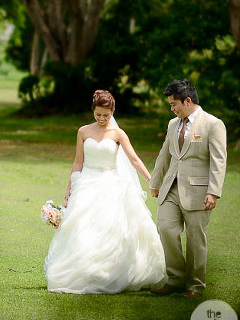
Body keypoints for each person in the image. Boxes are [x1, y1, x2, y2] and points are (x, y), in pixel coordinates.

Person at [45, 90, 166, 294]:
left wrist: (150, 179)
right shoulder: (83, 131)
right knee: (83, 227)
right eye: (98, 114)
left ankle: (111, 272)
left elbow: (134, 159)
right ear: (93, 111)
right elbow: (78, 162)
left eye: (106, 115)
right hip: (87, 183)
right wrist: (69, 189)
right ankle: (84, 271)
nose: (101, 119)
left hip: (112, 184)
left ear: (113, 112)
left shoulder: (118, 134)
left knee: (113, 229)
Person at [149, 79, 227, 298]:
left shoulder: (213, 124)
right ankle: (175, 278)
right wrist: (155, 182)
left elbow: (218, 160)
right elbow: (165, 154)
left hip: (199, 192)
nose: (172, 109)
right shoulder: (172, 125)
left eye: (174, 104)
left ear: (188, 100)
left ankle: (195, 285)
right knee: (165, 228)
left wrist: (213, 191)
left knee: (195, 238)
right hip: (171, 188)